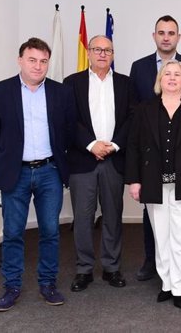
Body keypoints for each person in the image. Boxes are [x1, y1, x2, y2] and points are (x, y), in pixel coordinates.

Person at [0, 37, 76, 311]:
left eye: (43, 61)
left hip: (50, 171)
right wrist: (10, 154)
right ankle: (11, 286)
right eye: (32, 60)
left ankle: (47, 283)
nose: (38, 66)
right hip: (16, 172)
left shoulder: (61, 92)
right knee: (12, 231)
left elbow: (69, 130)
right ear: (20, 60)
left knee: (50, 230)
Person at [125, 60, 181, 309]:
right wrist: (133, 180)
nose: (173, 78)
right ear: (160, 79)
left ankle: (179, 287)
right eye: (168, 74)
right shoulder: (145, 108)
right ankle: (166, 283)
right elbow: (133, 146)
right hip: (154, 183)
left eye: (178, 74)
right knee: (161, 237)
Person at [129, 14, 181, 281]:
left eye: (171, 33)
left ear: (178, 37)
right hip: (152, 162)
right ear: (154, 36)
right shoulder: (138, 68)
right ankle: (154, 264)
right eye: (161, 32)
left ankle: (178, 277)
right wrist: (136, 173)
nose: (166, 37)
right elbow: (133, 116)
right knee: (156, 223)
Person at [64, 35, 136, 292]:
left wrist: (114, 145)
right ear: (89, 52)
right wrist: (91, 144)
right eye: (97, 49)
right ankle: (83, 270)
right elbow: (68, 121)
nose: (103, 54)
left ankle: (111, 267)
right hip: (83, 161)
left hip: (114, 160)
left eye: (108, 50)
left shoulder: (127, 84)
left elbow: (132, 119)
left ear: (113, 54)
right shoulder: (72, 83)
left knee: (113, 217)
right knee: (82, 219)